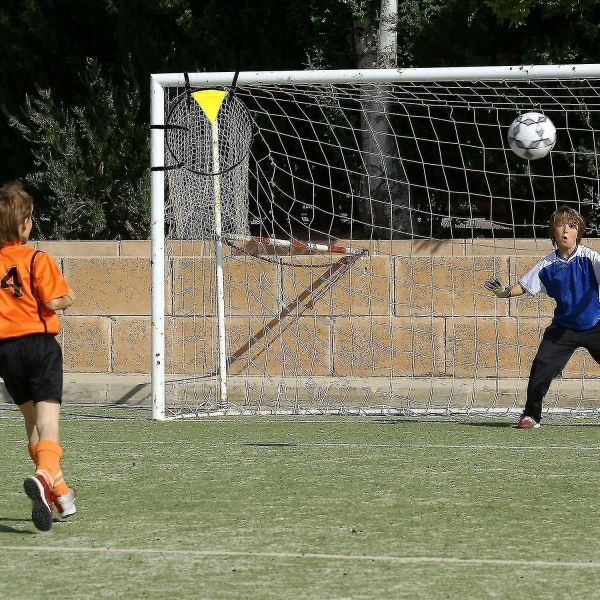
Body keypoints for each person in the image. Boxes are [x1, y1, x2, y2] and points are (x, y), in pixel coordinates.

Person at [0, 181, 76, 531]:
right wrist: (68, 298)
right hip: (40, 347)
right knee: (48, 424)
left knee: (32, 424)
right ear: (25, 224)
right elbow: (53, 300)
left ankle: (60, 492)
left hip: (6, 352)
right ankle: (45, 475)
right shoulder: (36, 259)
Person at [484, 204, 600, 429]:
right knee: (540, 367)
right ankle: (531, 416)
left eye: (572, 226)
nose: (566, 230)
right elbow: (524, 286)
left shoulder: (590, 258)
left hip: (595, 324)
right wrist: (504, 292)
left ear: (579, 232)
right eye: (560, 226)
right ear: (553, 232)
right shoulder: (547, 265)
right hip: (563, 329)